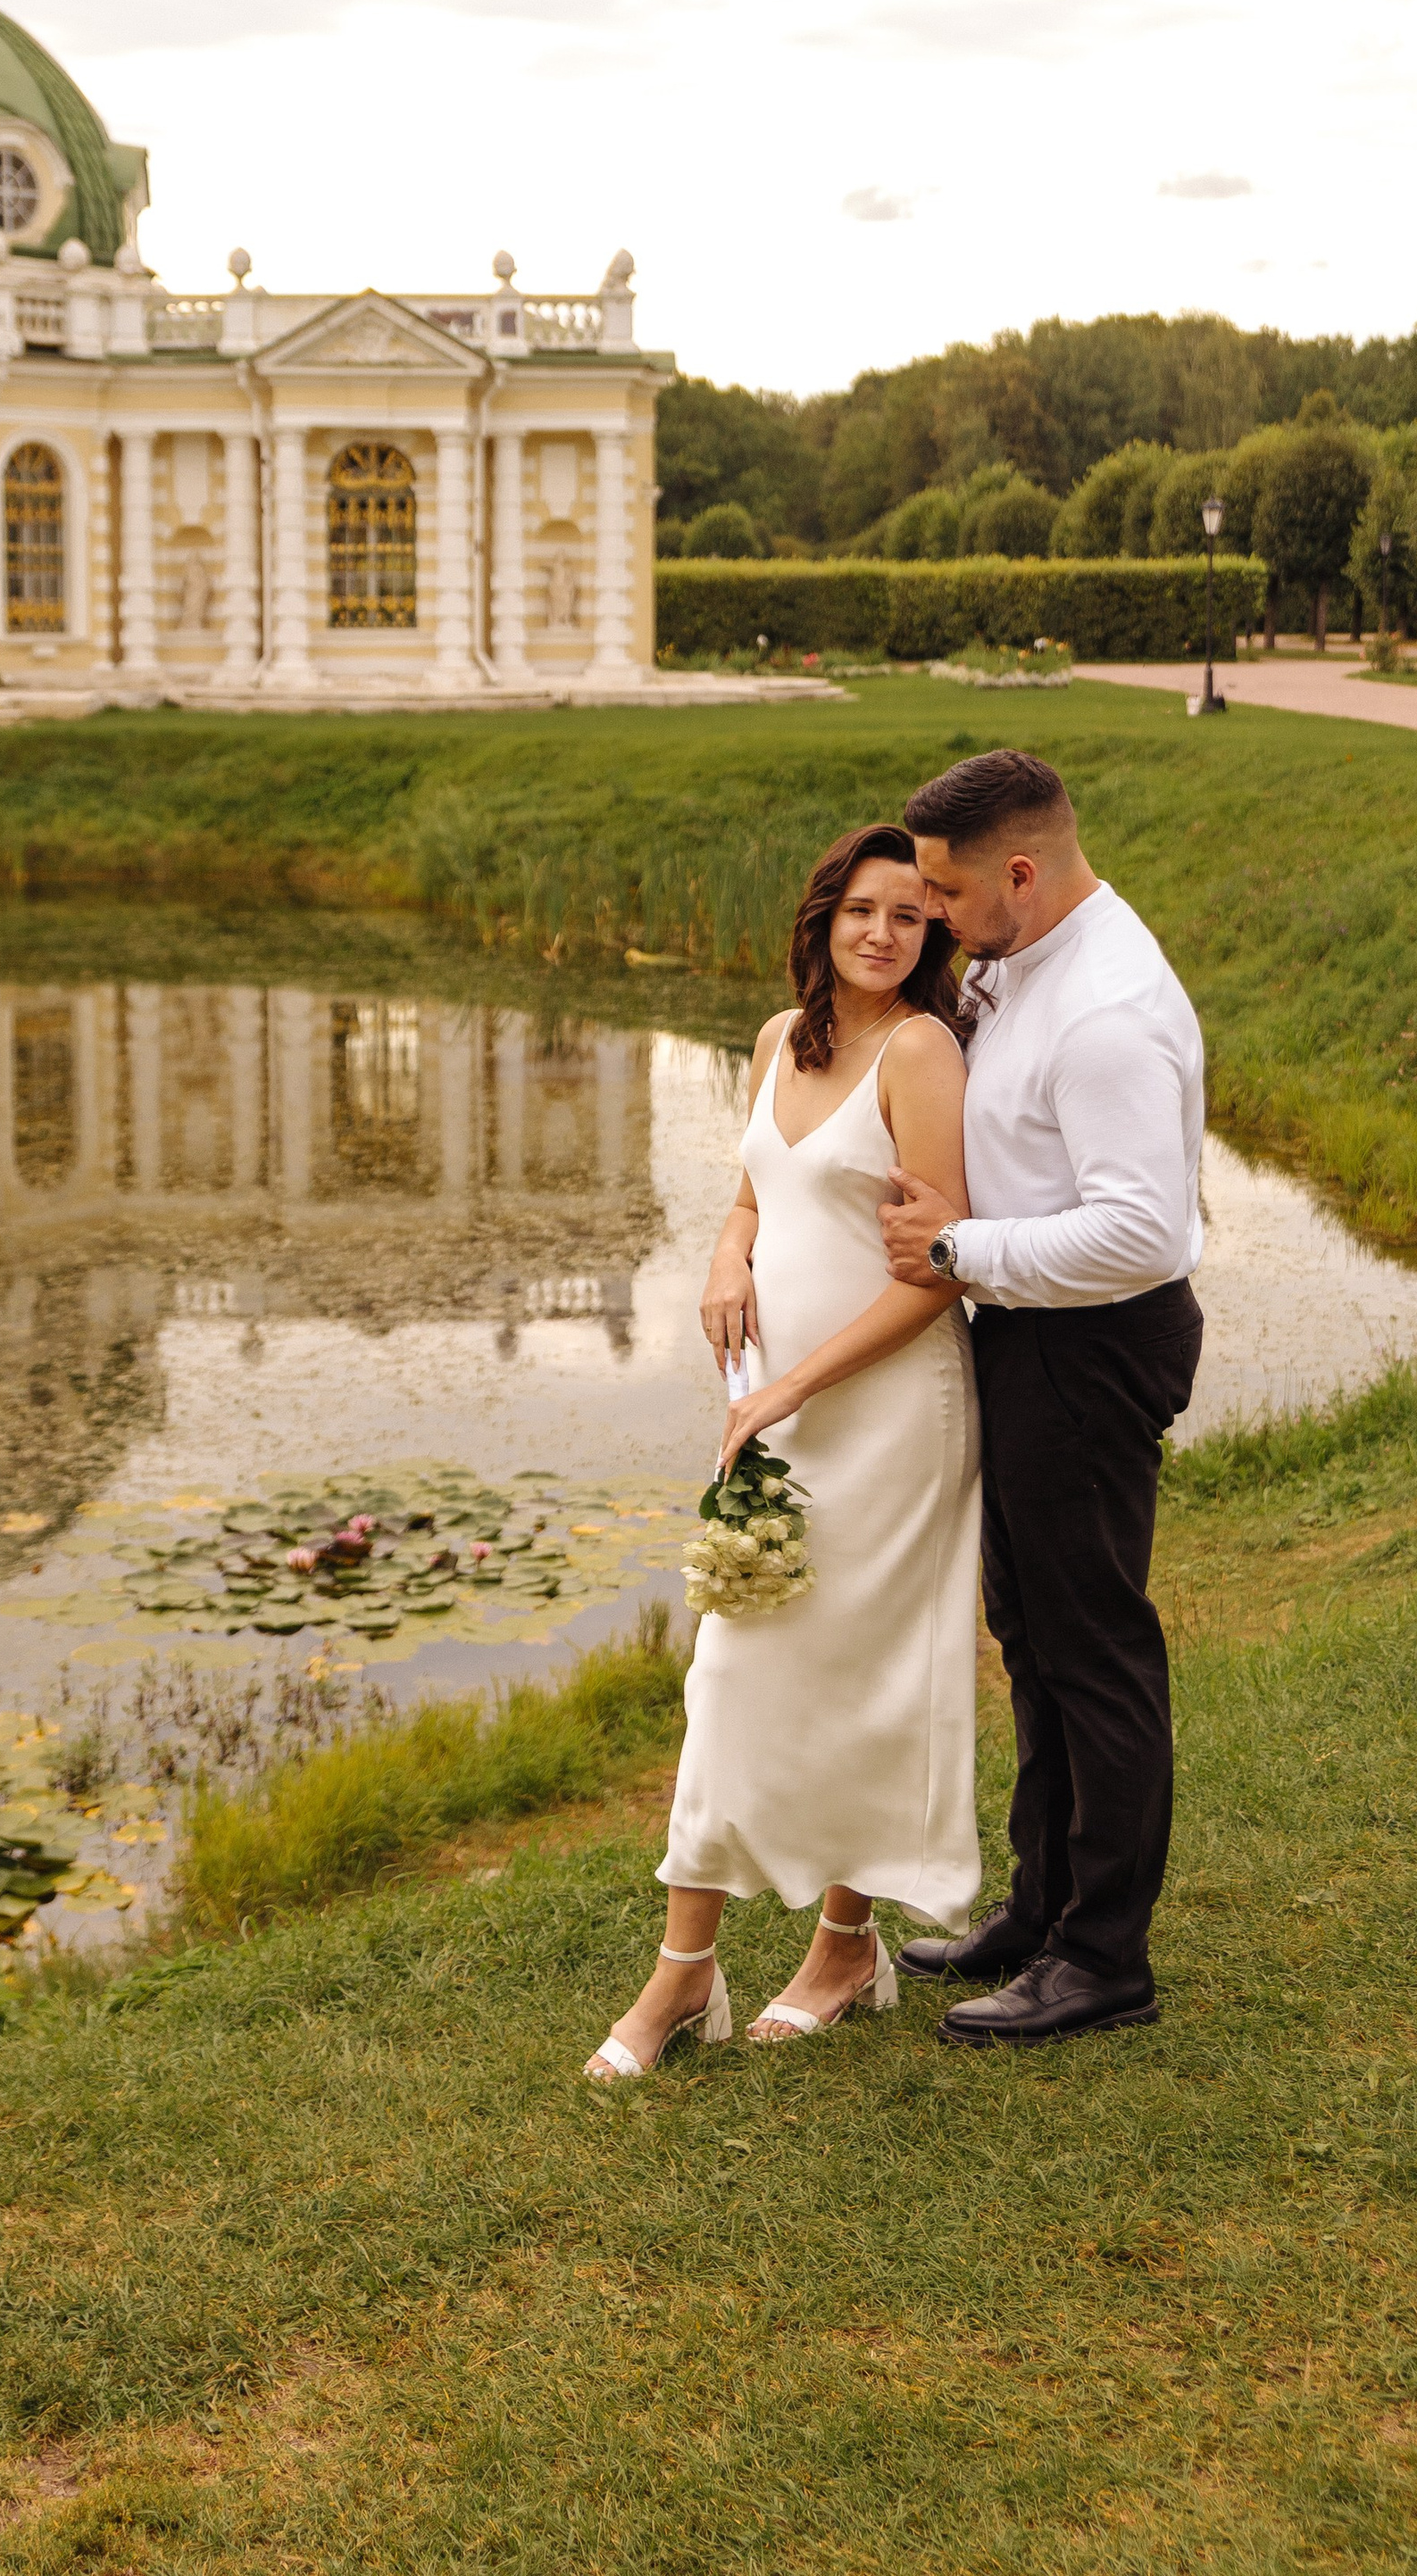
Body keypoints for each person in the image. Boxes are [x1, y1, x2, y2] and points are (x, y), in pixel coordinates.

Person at [585, 826, 983, 2080]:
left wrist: (794, 1389)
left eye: (909, 918)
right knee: (733, 1673)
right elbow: (760, 1194)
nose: (882, 933)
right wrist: (720, 1260)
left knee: (864, 1677)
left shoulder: (921, 1052)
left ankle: (844, 1945)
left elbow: (939, 1270)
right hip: (778, 1406)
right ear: (822, 920)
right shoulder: (776, 1040)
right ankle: (685, 1975)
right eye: (861, 910)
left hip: (886, 1413)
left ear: (930, 938)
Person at [880, 747, 1204, 2047]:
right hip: (1034, 1337)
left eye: (949, 896)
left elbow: (1141, 1232)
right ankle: (1040, 1909)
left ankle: (1103, 1960)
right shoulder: (1025, 959)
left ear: (1021, 870)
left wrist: (960, 1253)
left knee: (1095, 1649)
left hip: (1094, 1344)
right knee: (1032, 1634)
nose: (935, 922)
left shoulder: (1109, 1010)